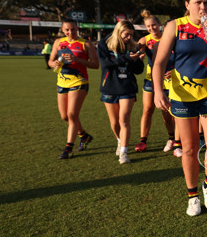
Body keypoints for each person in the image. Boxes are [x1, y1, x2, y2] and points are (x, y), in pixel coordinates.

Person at [152, 0, 207, 216]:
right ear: (187, 5)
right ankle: (192, 196)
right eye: (198, 2)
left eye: (206, 3)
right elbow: (159, 62)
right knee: (189, 149)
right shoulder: (175, 26)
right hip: (182, 95)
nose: (202, 7)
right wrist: (159, 91)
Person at [48, 19, 99, 159]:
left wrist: (78, 60)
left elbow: (95, 64)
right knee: (65, 116)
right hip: (62, 82)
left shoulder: (86, 43)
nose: (71, 32)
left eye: (73, 29)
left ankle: (68, 148)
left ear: (77, 29)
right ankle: (84, 136)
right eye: (67, 30)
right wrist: (54, 63)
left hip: (79, 82)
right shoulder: (58, 42)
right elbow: (50, 60)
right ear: (63, 30)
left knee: (71, 114)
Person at [97, 20, 146, 164]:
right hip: (110, 86)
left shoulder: (132, 46)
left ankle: (124, 152)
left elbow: (138, 71)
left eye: (131, 35)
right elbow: (105, 64)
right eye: (126, 34)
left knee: (124, 119)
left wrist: (138, 60)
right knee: (114, 122)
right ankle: (119, 141)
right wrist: (127, 58)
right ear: (118, 31)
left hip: (127, 87)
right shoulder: (103, 44)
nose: (129, 37)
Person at [134, 11, 177, 154]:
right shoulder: (144, 40)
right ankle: (143, 141)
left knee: (167, 114)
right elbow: (136, 52)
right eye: (148, 26)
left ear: (159, 24)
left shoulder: (169, 38)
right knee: (147, 109)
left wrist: (175, 70)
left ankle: (172, 139)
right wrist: (137, 55)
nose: (152, 28)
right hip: (150, 80)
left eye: (154, 25)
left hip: (168, 80)